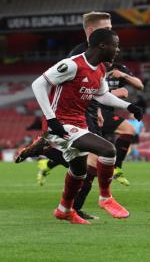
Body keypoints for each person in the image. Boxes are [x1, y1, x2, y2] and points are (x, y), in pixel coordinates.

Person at [31, 29, 143, 224]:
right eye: (114, 45)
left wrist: (129, 106)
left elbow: (102, 95)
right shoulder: (72, 64)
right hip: (60, 123)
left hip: (78, 123)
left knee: (79, 172)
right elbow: (38, 84)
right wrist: (51, 119)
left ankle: (64, 210)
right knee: (108, 149)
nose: (117, 50)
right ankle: (106, 198)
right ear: (102, 45)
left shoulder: (100, 68)